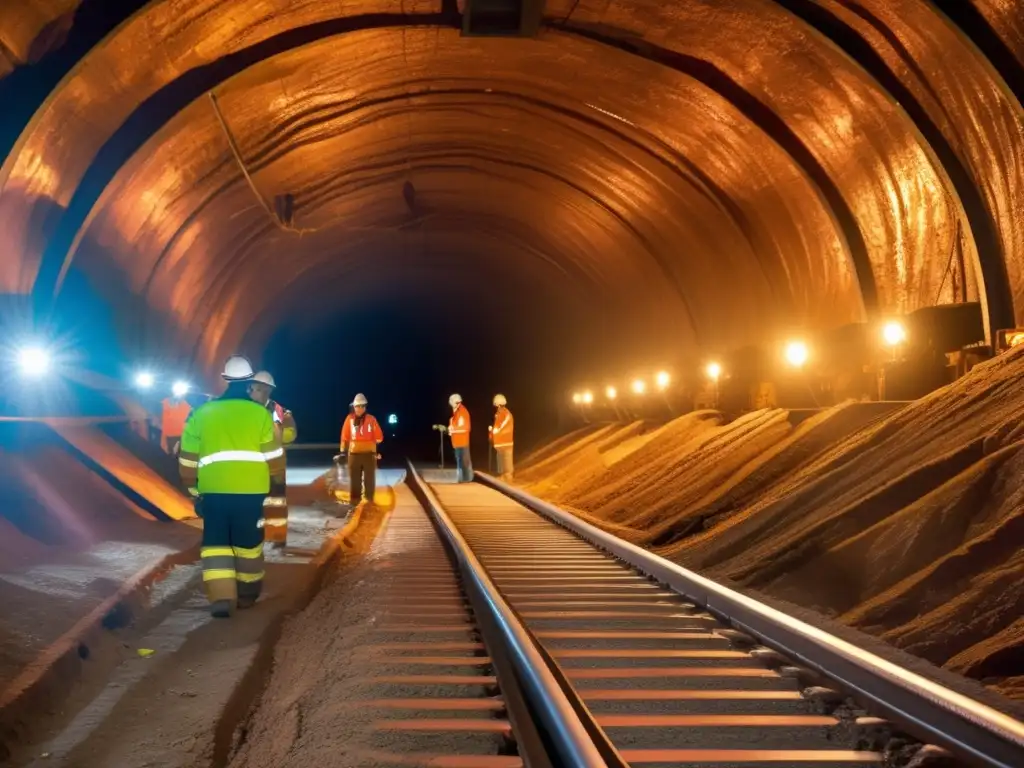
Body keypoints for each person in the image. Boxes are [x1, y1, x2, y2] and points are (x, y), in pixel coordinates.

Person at [178, 355, 285, 618]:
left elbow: (187, 459)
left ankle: (222, 598)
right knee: (248, 544)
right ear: (250, 382)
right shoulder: (260, 414)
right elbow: (274, 457)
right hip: (251, 492)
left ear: (224, 379)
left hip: (213, 492)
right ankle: (247, 594)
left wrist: (194, 491)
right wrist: (275, 482)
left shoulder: (201, 413)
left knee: (215, 544)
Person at [249, 370, 297, 549]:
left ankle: (277, 537)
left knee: (275, 502)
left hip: (274, 466)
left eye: (257, 388)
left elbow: (291, 434)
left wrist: (276, 434)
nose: (254, 392)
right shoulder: (246, 410)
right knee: (255, 504)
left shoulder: (279, 411)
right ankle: (257, 536)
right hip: (253, 467)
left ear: (267, 390)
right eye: (253, 388)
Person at [339, 393, 383, 507]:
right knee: (355, 479)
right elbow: (345, 436)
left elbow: (379, 437)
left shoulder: (371, 420)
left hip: (369, 454)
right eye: (357, 406)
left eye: (362, 406)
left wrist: (372, 443)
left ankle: (369, 501)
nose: (359, 409)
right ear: (353, 407)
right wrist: (343, 451)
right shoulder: (349, 419)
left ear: (365, 407)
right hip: (354, 454)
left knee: (369, 479)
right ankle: (354, 501)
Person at [448, 393, 473, 483]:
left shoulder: (462, 412)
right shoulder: (456, 413)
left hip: (462, 442)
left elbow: (465, 427)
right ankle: (462, 479)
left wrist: (452, 429)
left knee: (464, 461)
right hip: (458, 442)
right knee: (460, 461)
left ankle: (466, 479)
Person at [490, 394, 514, 482]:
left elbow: (503, 426)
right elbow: (497, 426)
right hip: (499, 442)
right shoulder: (498, 414)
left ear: (499, 404)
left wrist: (496, 431)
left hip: (506, 441)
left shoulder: (506, 414)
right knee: (500, 459)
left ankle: (508, 476)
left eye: (496, 404)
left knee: (507, 459)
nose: (495, 406)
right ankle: (502, 476)